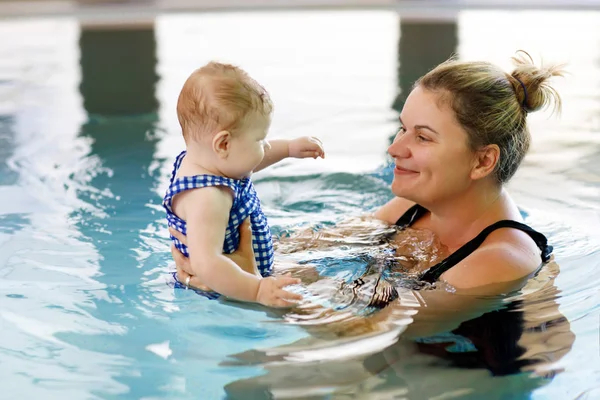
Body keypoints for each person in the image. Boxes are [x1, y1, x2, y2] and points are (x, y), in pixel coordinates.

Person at [172, 50, 563, 296]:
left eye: (423, 138)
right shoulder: (413, 206)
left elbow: (368, 330)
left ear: (482, 161)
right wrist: (223, 268)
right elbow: (314, 244)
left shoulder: (502, 260)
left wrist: (252, 289)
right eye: (402, 128)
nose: (394, 149)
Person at [164, 61, 324, 307]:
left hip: (246, 275)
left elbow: (247, 161)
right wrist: (257, 291)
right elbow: (206, 264)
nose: (266, 146)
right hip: (226, 293)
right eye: (260, 139)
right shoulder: (209, 197)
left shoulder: (209, 163)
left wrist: (289, 148)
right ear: (223, 144)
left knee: (311, 275)